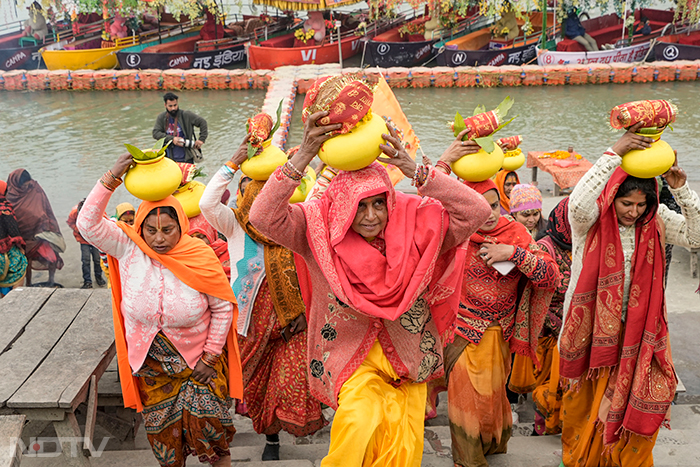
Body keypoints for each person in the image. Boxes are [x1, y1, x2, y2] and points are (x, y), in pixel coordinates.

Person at [248, 98, 491, 464]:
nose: (371, 216)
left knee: (403, 453)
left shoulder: (417, 227)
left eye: (379, 203)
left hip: (406, 366)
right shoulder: (316, 231)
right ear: (341, 205)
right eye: (359, 206)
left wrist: (414, 170)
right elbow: (262, 216)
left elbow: (477, 211)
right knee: (357, 424)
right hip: (352, 362)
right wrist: (304, 154)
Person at [76, 154, 243, 467]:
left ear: (181, 224)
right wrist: (112, 176)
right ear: (140, 227)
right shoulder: (129, 249)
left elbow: (222, 309)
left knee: (214, 437)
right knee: (165, 447)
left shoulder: (200, 256)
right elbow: (87, 224)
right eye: (150, 229)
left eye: (168, 229)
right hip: (152, 369)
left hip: (200, 365)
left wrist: (209, 357)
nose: (159, 238)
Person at [559, 122, 700, 467]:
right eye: (626, 203)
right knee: (585, 414)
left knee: (633, 424)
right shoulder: (591, 220)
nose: (633, 212)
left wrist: (681, 190)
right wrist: (614, 153)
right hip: (593, 337)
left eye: (640, 204)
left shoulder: (658, 220)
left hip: (641, 337)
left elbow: (696, 238)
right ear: (613, 196)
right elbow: (576, 205)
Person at [199, 132, 327, 460]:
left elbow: (321, 191)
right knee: (257, 388)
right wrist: (234, 162)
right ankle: (271, 439)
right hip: (251, 324)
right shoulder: (234, 226)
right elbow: (206, 203)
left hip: (294, 322)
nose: (261, 211)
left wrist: (322, 160)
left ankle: (293, 424)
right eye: (253, 201)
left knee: (292, 383)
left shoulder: (296, 222)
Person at [444, 178, 559, 467]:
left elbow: (549, 275)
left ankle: (490, 448)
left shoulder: (515, 232)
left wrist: (513, 254)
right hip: (461, 334)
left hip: (500, 336)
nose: (491, 214)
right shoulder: (454, 233)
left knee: (491, 401)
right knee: (465, 403)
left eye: (495, 205)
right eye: (480, 207)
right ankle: (467, 461)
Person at [531, 198, 572, 436]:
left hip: (574, 329)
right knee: (547, 383)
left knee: (568, 385)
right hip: (548, 332)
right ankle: (542, 427)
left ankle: (563, 426)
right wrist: (558, 325)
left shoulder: (585, 243)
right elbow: (536, 296)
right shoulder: (544, 248)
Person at [5, 169, 65, 287]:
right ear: (16, 184)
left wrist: (49, 226)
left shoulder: (34, 187)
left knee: (52, 257)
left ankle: (51, 281)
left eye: (28, 184)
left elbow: (45, 206)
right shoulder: (9, 195)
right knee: (25, 262)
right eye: (24, 185)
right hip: (21, 237)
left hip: (39, 234)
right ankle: (28, 284)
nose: (27, 187)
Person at [153, 92, 208, 163]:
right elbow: (155, 133)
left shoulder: (186, 115)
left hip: (187, 157)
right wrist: (172, 139)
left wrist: (201, 139)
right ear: (165, 105)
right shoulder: (161, 117)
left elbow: (203, 122)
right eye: (170, 106)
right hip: (169, 159)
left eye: (175, 105)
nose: (173, 108)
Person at [67, 199, 106, 289]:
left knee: (97, 259)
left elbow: (104, 222)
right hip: (83, 240)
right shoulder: (74, 212)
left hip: (94, 239)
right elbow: (70, 222)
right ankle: (87, 281)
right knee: (86, 260)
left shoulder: (98, 211)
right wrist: (77, 229)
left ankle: (99, 277)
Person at [99, 202, 135, 286]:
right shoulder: (111, 229)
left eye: (131, 221)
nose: (128, 224)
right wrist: (108, 266)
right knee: (113, 284)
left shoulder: (137, 226)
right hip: (109, 261)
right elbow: (102, 249)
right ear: (118, 218)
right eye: (125, 221)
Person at [0, 190, 27, 297]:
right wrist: (21, 246)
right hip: (4, 251)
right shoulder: (5, 208)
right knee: (20, 267)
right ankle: (14, 300)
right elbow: (13, 232)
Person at [188, 214, 231, 280]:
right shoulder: (186, 260)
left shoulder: (230, 253)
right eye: (191, 238)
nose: (197, 241)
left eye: (201, 237)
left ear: (211, 234)